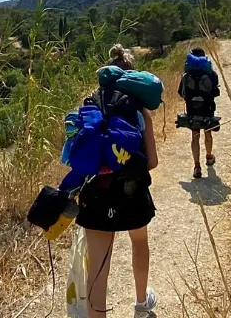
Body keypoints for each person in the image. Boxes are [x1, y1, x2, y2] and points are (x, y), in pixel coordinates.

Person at [76, 44, 159, 318]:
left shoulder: (90, 104)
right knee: (139, 241)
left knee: (98, 268)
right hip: (131, 191)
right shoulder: (137, 109)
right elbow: (153, 162)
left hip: (95, 193)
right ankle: (141, 303)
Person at [178, 47, 220, 179]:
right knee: (208, 133)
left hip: (192, 108)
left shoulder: (187, 75)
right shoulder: (211, 74)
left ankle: (197, 166)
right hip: (207, 108)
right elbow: (216, 92)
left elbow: (181, 92)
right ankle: (208, 157)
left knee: (195, 136)